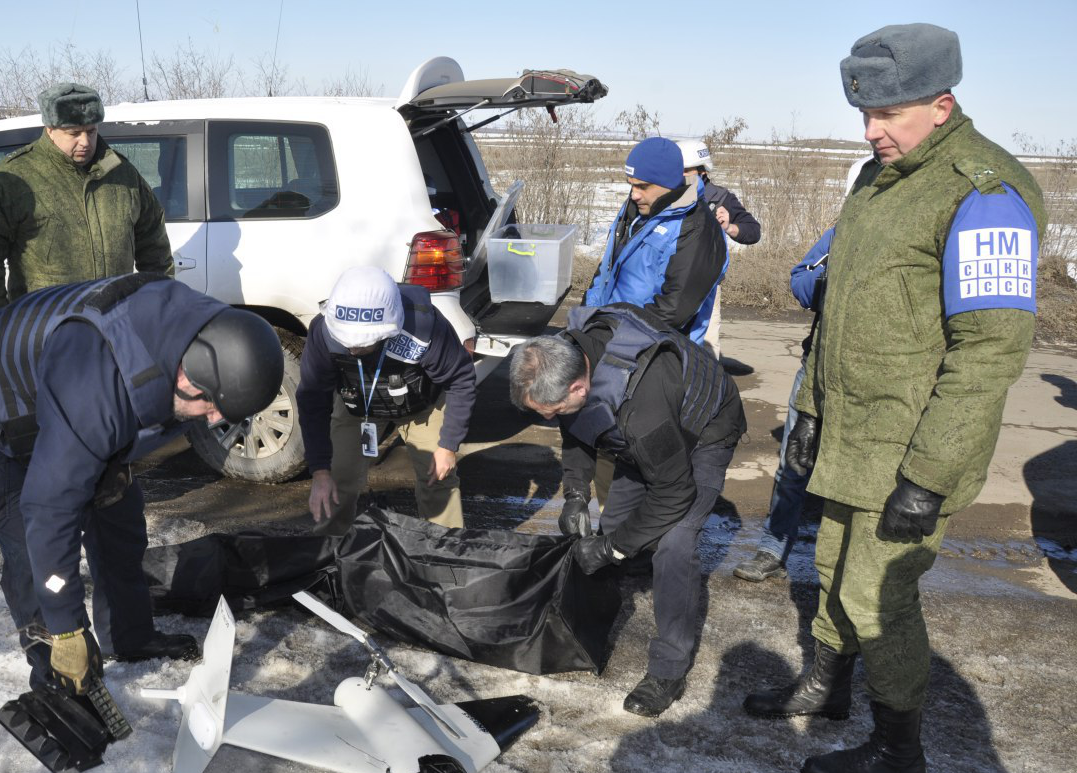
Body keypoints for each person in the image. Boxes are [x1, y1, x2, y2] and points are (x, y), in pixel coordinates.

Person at [743, 23, 1046, 773]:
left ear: (942, 104)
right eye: (864, 116)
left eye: (890, 115)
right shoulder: (878, 182)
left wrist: (931, 474)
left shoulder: (985, 196)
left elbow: (987, 354)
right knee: (833, 568)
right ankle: (826, 687)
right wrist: (809, 410)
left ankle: (898, 752)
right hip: (853, 428)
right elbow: (839, 310)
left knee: (879, 593)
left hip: (911, 445)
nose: (872, 132)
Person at [0, 273, 284, 693]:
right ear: (188, 376)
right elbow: (49, 508)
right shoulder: (96, 384)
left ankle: (129, 636)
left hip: (64, 399)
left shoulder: (203, 335)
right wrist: (65, 628)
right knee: (30, 543)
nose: (213, 420)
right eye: (209, 405)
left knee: (119, 520)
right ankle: (58, 671)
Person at [509, 303, 745, 716]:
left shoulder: (641, 408)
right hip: (653, 429)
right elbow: (576, 427)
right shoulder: (566, 354)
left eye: (551, 412)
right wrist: (577, 493)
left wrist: (613, 548)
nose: (548, 419)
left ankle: (669, 669)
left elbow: (673, 493)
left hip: (705, 428)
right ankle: (624, 571)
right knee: (617, 521)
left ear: (579, 389)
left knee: (674, 544)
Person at [733, 156, 869, 582]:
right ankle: (773, 547)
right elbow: (800, 280)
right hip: (819, 367)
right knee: (794, 462)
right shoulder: (839, 235)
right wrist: (828, 281)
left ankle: (857, 566)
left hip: (878, 380)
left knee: (862, 471)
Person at [0, 82, 174, 322]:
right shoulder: (14, 180)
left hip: (114, 327)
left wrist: (156, 310)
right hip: (44, 332)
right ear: (50, 129)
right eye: (74, 133)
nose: (85, 141)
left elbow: (155, 251)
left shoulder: (123, 175)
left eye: (91, 131)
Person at [297, 266, 475, 536]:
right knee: (337, 477)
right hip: (357, 405)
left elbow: (461, 379)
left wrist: (448, 446)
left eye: (363, 343)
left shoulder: (425, 329)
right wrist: (319, 471)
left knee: (438, 478)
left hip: (420, 405)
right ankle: (327, 548)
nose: (353, 349)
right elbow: (312, 399)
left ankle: (446, 550)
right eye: (346, 342)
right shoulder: (323, 332)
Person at [585, 137, 728, 347]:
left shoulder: (697, 227)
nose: (634, 194)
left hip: (652, 353)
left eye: (642, 186)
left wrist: (614, 334)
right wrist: (588, 319)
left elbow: (673, 310)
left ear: (667, 182)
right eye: (631, 185)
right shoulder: (636, 210)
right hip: (609, 337)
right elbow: (607, 270)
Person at [674, 138, 762, 358]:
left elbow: (753, 231)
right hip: (669, 283)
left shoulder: (720, 198)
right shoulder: (667, 196)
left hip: (707, 287)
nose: (680, 175)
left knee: (706, 348)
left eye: (686, 170)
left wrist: (730, 227)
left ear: (702, 171)